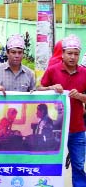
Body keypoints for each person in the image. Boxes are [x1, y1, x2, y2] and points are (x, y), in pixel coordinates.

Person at [38, 34, 86, 187]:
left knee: (78, 165)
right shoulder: (53, 70)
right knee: (50, 163)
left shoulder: (84, 73)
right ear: (63, 54)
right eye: (69, 53)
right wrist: (51, 88)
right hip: (54, 129)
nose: (72, 57)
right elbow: (38, 90)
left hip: (77, 129)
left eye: (76, 54)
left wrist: (80, 96)